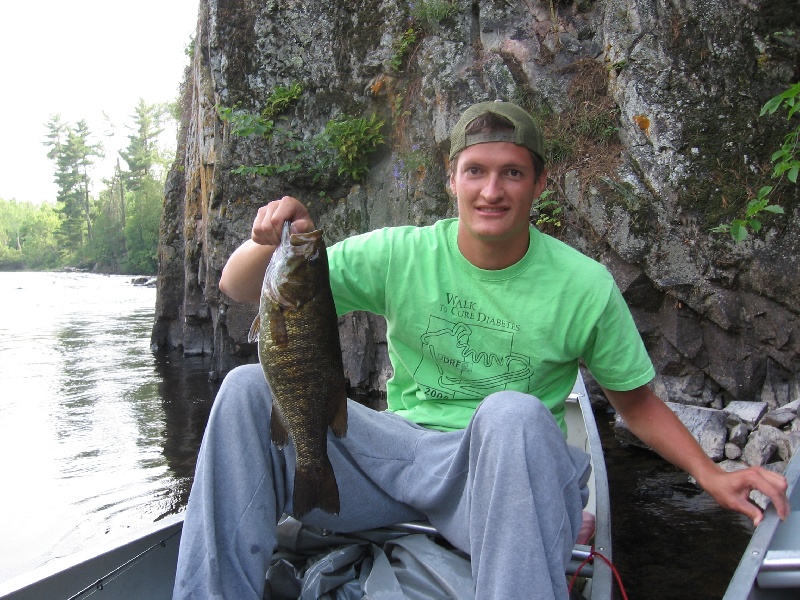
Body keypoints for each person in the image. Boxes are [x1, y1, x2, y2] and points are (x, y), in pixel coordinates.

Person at [173, 101, 789, 600]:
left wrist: (711, 473)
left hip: (504, 483)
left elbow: (637, 404)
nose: (491, 190)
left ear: (539, 182)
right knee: (248, 390)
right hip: (399, 460)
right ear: (451, 180)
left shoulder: (583, 286)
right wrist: (275, 239)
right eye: (476, 171)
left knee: (512, 412)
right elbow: (237, 286)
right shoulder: (400, 253)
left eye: (512, 172)